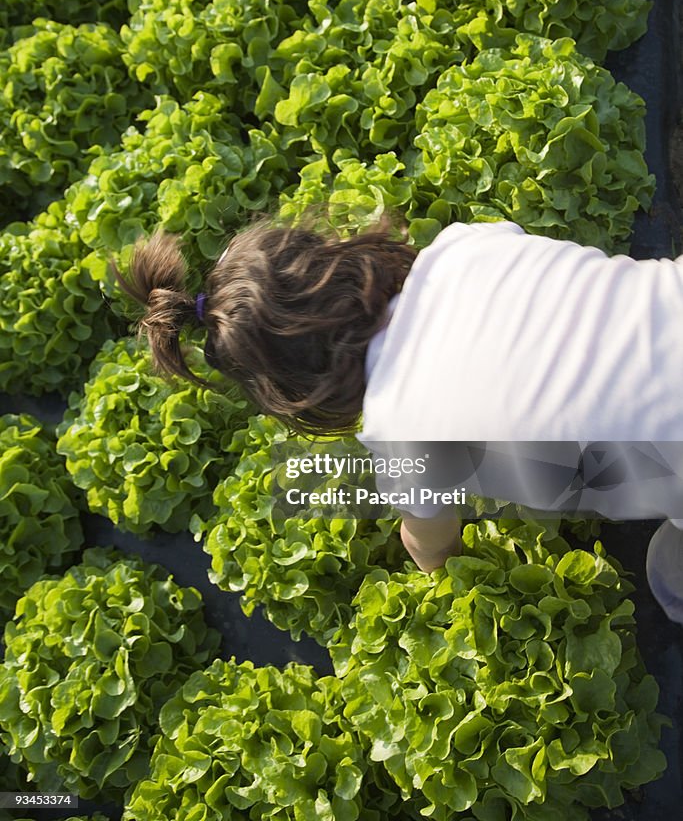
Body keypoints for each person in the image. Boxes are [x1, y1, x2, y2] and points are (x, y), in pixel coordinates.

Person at [112, 216, 683, 621]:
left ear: (298, 395)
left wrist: (452, 585)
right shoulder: (463, 245)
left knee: (670, 575)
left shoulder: (401, 426)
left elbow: (429, 542)